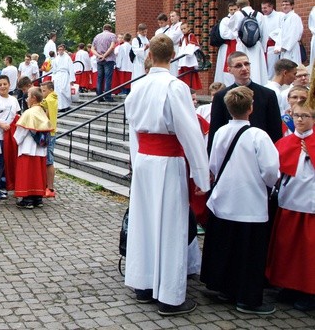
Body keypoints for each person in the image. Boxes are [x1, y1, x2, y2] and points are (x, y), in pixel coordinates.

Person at [124, 34, 210, 316]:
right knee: (171, 225)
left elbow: (134, 133)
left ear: (149, 56)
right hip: (168, 161)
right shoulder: (175, 87)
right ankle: (170, 297)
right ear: (173, 56)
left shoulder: (137, 88)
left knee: (145, 221)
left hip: (146, 161)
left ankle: (144, 284)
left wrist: (137, 163)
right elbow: (190, 132)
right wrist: (201, 175)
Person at [200, 86, 279, 315]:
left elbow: (214, 164)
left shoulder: (221, 132)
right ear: (251, 108)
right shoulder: (258, 135)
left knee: (228, 247)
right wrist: (269, 184)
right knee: (249, 253)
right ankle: (247, 298)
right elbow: (271, 170)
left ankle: (225, 287)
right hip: (250, 202)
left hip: (225, 200)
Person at [266, 100, 315, 312]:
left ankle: (309, 291)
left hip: (310, 205)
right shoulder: (285, 142)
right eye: (297, 116)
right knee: (286, 248)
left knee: (307, 252)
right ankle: (288, 285)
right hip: (288, 202)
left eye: (306, 116)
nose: (301, 119)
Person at [207, 51, 283, 151]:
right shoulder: (221, 97)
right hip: (232, 150)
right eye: (238, 66)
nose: (244, 68)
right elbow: (215, 130)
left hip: (261, 150)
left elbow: (275, 130)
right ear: (229, 70)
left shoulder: (268, 95)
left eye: (246, 64)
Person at [13, 87, 51, 209]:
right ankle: (37, 197)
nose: (26, 99)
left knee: (27, 173)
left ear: (34, 98)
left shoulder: (29, 113)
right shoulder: (42, 111)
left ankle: (27, 198)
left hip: (28, 147)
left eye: (28, 96)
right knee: (38, 173)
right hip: (40, 148)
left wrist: (16, 140)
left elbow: (22, 132)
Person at [0, 75, 19, 199]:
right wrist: (1, 124)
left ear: (9, 85)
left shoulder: (14, 100)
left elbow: (17, 115)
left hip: (11, 136)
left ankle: (4, 184)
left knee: (9, 161)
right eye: (0, 84)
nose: (3, 86)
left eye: (5, 84)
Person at [230, 0, 268, 85]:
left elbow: (231, 28)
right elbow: (264, 33)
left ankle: (242, 85)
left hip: (242, 45)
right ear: (249, 3)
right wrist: (263, 48)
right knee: (257, 68)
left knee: (242, 66)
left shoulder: (237, 14)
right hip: (256, 45)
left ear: (238, 6)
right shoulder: (259, 14)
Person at [40, 80, 58, 198]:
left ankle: (50, 187)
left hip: (50, 132)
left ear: (50, 90)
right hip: (50, 131)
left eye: (44, 91)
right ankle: (47, 185)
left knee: (49, 160)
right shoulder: (51, 99)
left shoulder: (50, 99)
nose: (42, 93)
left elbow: (43, 105)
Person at [214, 2, 239, 86]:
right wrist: (235, 34)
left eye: (235, 9)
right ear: (228, 10)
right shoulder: (225, 20)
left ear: (238, 9)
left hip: (238, 45)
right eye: (231, 10)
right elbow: (224, 34)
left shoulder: (240, 18)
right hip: (227, 46)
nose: (233, 11)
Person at [91, 24, 117, 102]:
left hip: (99, 60)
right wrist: (105, 55)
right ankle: (107, 96)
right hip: (109, 59)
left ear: (103, 29)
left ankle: (99, 96)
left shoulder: (97, 36)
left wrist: (99, 55)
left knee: (99, 78)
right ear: (110, 29)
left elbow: (92, 49)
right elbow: (112, 47)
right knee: (108, 78)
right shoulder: (112, 35)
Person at [274, 0, 303, 65]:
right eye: (283, 5)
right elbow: (281, 34)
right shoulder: (285, 18)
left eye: (287, 4)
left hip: (291, 47)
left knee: (293, 66)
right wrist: (278, 46)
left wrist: (285, 47)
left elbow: (294, 33)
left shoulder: (294, 17)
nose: (284, 6)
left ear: (292, 6)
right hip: (284, 48)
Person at [260, 1, 284, 79]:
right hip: (265, 46)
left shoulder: (280, 15)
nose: (263, 10)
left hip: (274, 45)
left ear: (271, 7)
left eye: (265, 8)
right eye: (262, 8)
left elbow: (283, 28)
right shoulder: (262, 18)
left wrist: (272, 34)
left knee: (273, 68)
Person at [51, 44, 75, 110]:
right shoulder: (56, 59)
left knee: (65, 90)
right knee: (58, 91)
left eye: (62, 50)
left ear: (64, 50)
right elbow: (54, 70)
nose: (60, 51)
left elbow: (71, 68)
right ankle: (60, 106)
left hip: (65, 75)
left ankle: (66, 105)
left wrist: (72, 79)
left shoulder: (67, 58)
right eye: (59, 50)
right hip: (58, 75)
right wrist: (53, 78)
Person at [178, 22, 201, 89]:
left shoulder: (191, 36)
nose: (183, 30)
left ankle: (190, 88)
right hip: (183, 60)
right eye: (181, 29)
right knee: (183, 75)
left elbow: (193, 45)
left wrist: (187, 53)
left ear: (188, 28)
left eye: (184, 28)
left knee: (189, 75)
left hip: (189, 59)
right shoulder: (182, 38)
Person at [166, 11, 184, 76]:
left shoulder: (180, 26)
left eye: (173, 16)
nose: (171, 18)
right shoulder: (170, 28)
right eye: (170, 16)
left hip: (177, 49)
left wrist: (166, 39)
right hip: (170, 49)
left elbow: (173, 38)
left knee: (175, 68)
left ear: (178, 17)